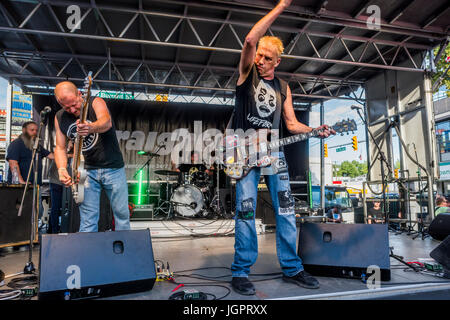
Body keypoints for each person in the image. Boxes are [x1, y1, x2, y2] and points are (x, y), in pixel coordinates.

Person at [228, 0, 334, 295]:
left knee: (286, 211)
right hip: (245, 152)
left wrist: (315, 130)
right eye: (260, 55)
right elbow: (250, 39)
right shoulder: (247, 75)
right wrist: (281, 6)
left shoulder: (283, 87)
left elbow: (291, 123)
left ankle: (292, 268)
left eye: (267, 57)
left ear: (277, 62)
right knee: (246, 212)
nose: (261, 60)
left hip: (274, 154)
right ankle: (240, 271)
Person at [53, 81, 130, 232]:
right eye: (66, 107)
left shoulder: (96, 102)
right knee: (88, 219)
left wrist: (91, 127)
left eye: (74, 104)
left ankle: (123, 252)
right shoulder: (60, 117)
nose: (72, 109)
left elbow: (106, 122)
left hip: (112, 168)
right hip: (85, 172)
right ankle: (88, 254)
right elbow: (60, 147)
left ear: (80, 94)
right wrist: (62, 169)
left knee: (121, 215)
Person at [6, 121, 54, 185]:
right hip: (19, 186)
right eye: (32, 130)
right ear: (24, 130)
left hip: (34, 185)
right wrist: (20, 181)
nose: (35, 132)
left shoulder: (36, 146)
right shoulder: (16, 144)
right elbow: (13, 163)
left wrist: (68, 155)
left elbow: (51, 156)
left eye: (36, 130)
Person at [47, 141, 74, 234]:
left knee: (61, 207)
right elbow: (61, 157)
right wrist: (71, 155)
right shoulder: (61, 151)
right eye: (71, 142)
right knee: (56, 207)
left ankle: (55, 228)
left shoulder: (71, 153)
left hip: (64, 183)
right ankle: (53, 231)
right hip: (56, 182)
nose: (72, 144)